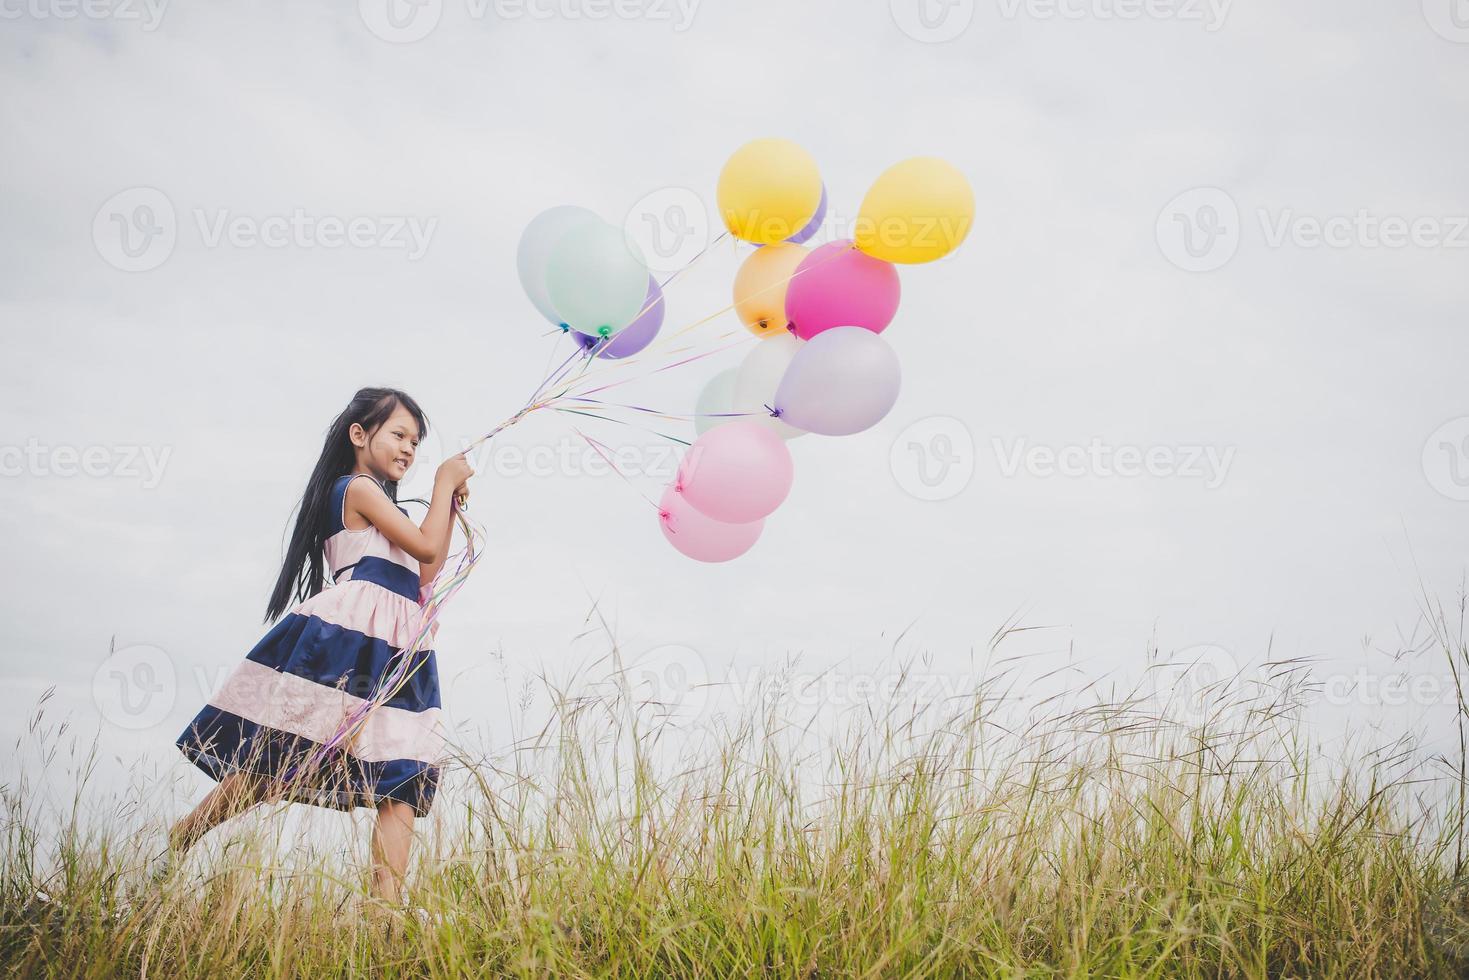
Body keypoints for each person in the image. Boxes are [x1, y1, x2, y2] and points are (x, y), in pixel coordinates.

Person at [160, 386, 472, 910]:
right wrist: (442, 484)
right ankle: (183, 835)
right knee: (274, 764)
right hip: (349, 639)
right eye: (399, 434)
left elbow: (425, 567)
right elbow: (423, 544)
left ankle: (387, 910)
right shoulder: (356, 489)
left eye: (416, 442)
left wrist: (446, 504)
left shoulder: (387, 507)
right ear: (359, 435)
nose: (409, 449)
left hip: (400, 646)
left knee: (403, 775)